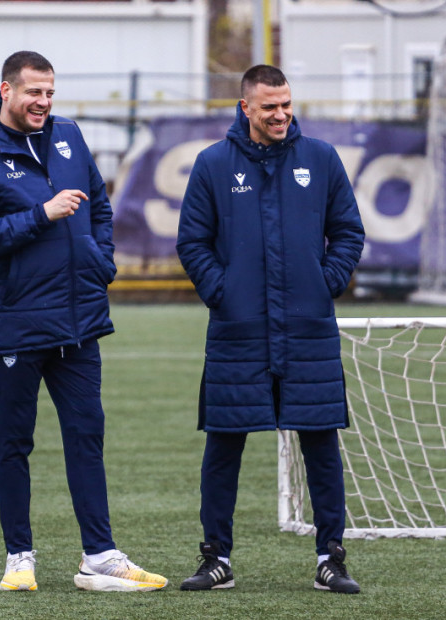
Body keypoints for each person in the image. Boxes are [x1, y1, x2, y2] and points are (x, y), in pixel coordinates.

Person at [0, 50, 167, 593]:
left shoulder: (68, 134)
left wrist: (100, 262)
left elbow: (99, 206)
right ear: (6, 91)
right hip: (17, 322)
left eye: (49, 92)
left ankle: (101, 557)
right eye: (33, 92)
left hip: (79, 320)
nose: (43, 102)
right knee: (13, 443)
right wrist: (41, 214)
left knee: (87, 435)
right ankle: (18, 558)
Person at [175, 64, 365, 594]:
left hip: (307, 328)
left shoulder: (321, 159)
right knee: (224, 445)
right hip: (239, 329)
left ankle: (331, 559)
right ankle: (216, 559)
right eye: (269, 107)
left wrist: (324, 283)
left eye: (286, 105)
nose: (280, 115)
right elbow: (192, 242)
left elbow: (348, 232)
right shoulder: (213, 163)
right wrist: (224, 292)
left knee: (321, 444)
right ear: (246, 108)